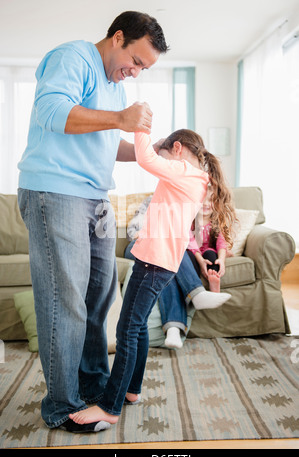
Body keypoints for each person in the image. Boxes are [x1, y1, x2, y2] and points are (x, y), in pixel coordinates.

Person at [17, 11, 168, 433]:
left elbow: (102, 137)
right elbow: (52, 112)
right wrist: (121, 119)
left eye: (143, 68)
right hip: (56, 191)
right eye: (135, 61)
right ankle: (62, 406)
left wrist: (145, 149)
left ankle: (95, 386)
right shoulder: (73, 58)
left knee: (98, 298)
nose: (134, 73)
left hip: (95, 197)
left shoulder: (114, 86)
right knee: (64, 302)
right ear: (117, 37)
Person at [69, 128, 231, 427]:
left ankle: (110, 407)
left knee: (126, 330)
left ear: (178, 148)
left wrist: (139, 126)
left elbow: (144, 158)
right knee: (138, 326)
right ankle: (131, 390)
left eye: (166, 153)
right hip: (158, 261)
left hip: (154, 262)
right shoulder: (197, 178)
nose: (162, 160)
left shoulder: (183, 170)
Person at [124, 193, 234, 349]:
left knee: (167, 264)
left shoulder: (185, 205)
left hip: (165, 251)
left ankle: (173, 330)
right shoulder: (152, 200)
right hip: (140, 245)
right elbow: (132, 232)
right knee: (166, 246)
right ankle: (195, 295)